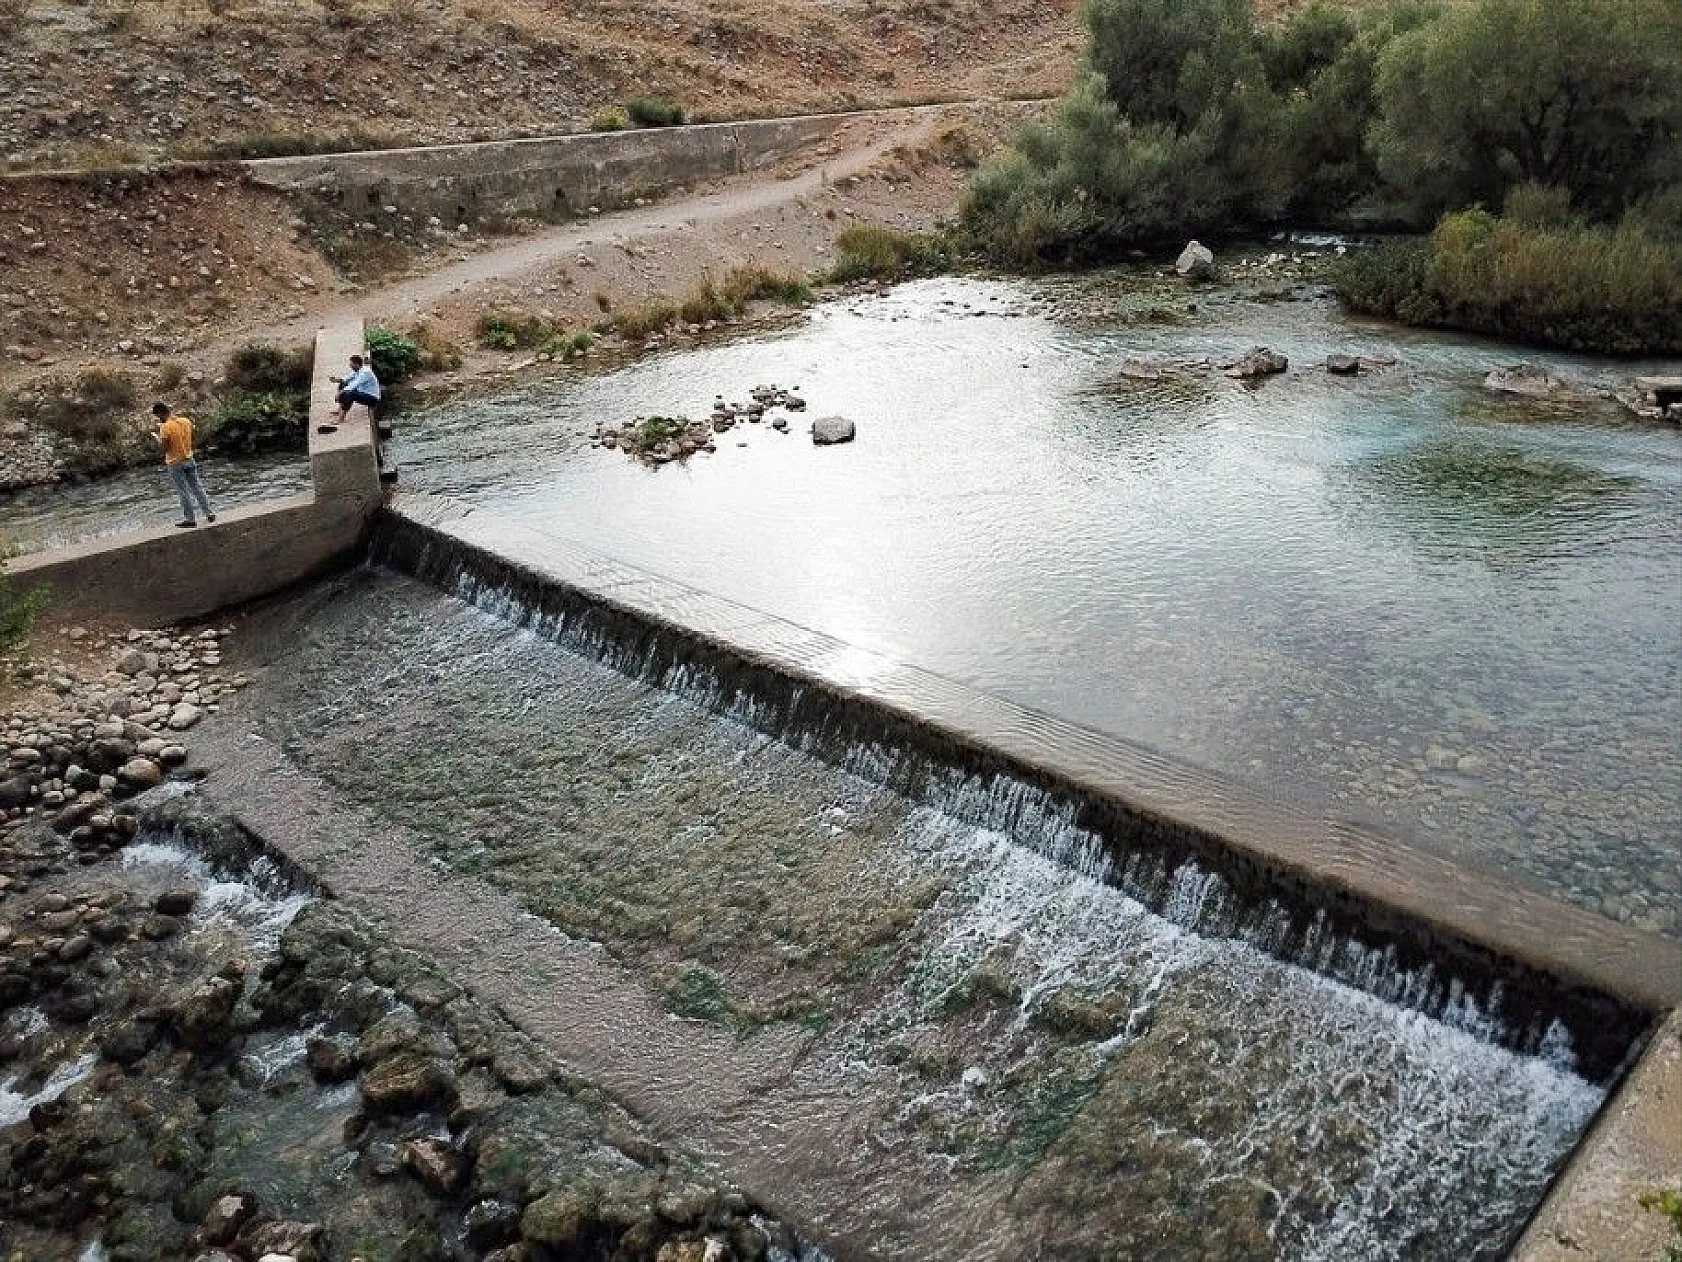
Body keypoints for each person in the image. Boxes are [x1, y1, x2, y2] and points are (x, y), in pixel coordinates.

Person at [153, 402, 216, 529]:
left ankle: (190, 519)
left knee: (183, 491)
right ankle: (209, 513)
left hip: (175, 462)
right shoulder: (185, 421)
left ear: (160, 413)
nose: (158, 418)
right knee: (198, 487)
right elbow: (188, 435)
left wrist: (158, 439)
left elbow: (164, 449)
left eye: (157, 415)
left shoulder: (165, 427)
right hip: (189, 458)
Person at [326, 353, 381, 428]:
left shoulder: (365, 372)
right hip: (363, 392)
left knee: (349, 394)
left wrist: (339, 393)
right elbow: (347, 378)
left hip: (372, 398)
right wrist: (336, 380)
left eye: (351, 364)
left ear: (357, 364)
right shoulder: (358, 370)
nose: (350, 366)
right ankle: (339, 409)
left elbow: (354, 384)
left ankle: (341, 418)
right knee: (343, 385)